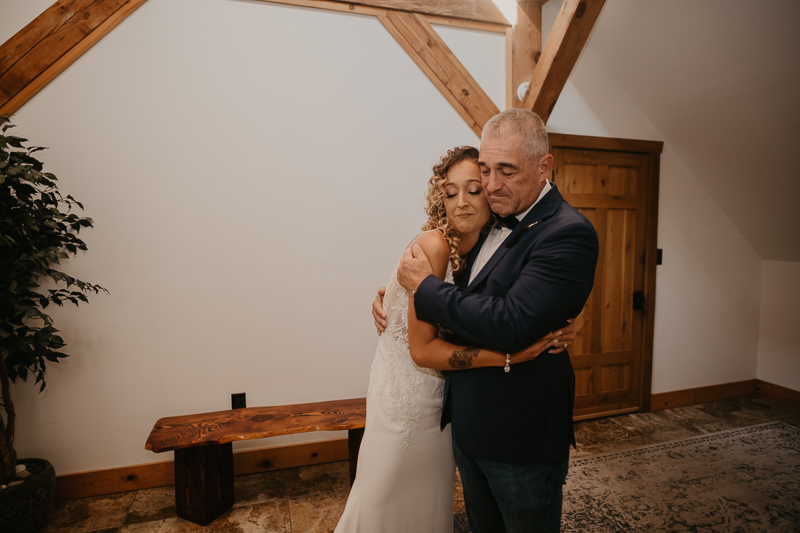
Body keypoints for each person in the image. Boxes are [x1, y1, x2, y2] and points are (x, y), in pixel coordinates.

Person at [378, 109, 599, 533]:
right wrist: (395, 293)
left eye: (507, 171)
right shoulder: (492, 216)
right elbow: (461, 283)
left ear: (544, 166)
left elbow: (511, 323)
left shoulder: (567, 232)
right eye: (486, 169)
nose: (492, 185)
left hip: (521, 435)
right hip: (467, 424)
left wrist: (423, 289)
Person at [335, 146, 576, 533]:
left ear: (492, 192)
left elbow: (505, 304)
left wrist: (563, 321)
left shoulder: (483, 249)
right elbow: (422, 349)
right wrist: (510, 356)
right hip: (406, 398)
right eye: (450, 192)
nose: (460, 203)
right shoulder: (434, 247)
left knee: (427, 501)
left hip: (446, 403)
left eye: (473, 190)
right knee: (383, 497)